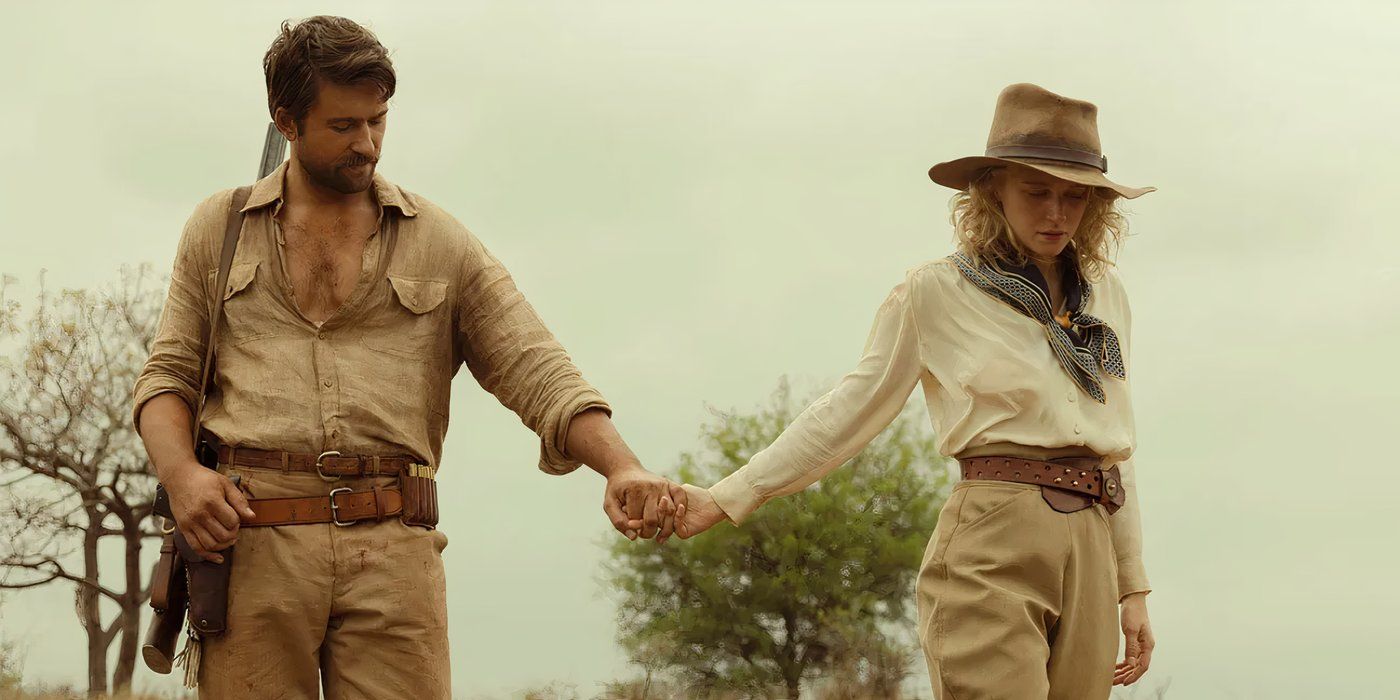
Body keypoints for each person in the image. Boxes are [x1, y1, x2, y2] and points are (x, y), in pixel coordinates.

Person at [132, 16, 679, 698]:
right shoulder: (220, 229)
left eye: (379, 121)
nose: (367, 144)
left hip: (394, 548)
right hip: (252, 549)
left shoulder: (442, 241)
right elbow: (169, 377)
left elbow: (536, 367)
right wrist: (182, 475)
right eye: (343, 126)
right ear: (287, 121)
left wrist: (620, 464)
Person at [673, 83, 1156, 698]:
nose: (1056, 213)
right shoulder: (936, 292)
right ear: (993, 189)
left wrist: (1132, 585)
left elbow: (1117, 444)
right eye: (1036, 192)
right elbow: (850, 409)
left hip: (1093, 534)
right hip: (994, 537)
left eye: (1074, 196)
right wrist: (724, 497)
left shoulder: (1106, 296)